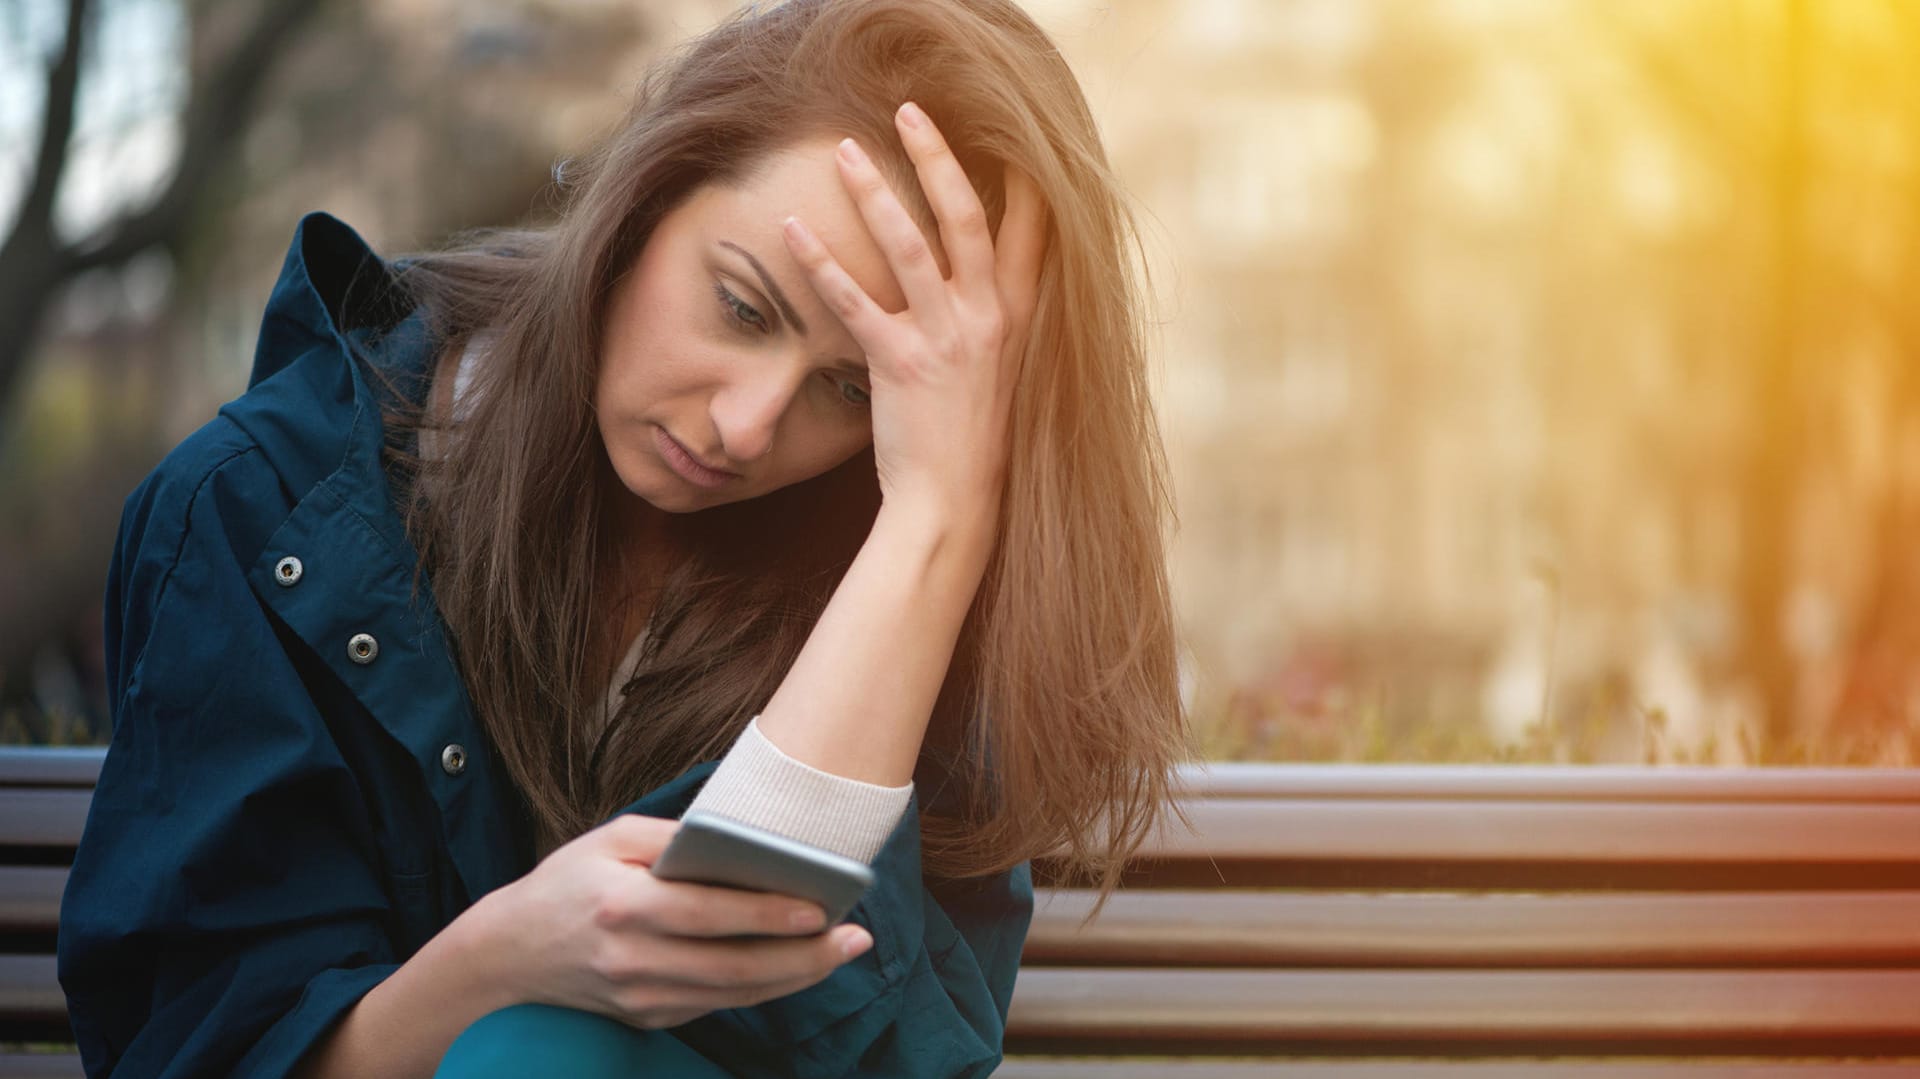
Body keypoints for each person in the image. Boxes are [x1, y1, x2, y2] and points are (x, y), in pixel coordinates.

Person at [56, 0, 1188, 1075]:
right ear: (645, 197)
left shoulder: (913, 563)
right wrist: (499, 959)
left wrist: (937, 522)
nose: (748, 425)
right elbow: (193, 1044)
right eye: (743, 307)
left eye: (851, 388)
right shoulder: (262, 509)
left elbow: (880, 1055)